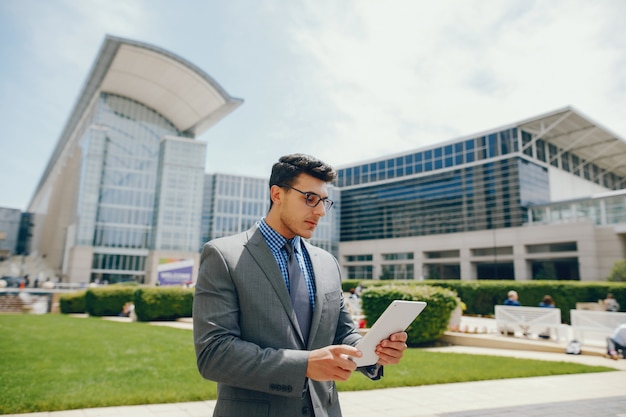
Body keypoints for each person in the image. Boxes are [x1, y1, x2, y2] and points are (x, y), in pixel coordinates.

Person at [193, 154, 408, 417]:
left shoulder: (327, 262)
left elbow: (343, 333)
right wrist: (304, 365)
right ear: (277, 194)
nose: (319, 211)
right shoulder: (223, 255)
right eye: (309, 198)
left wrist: (374, 352)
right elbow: (214, 354)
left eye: (324, 202)